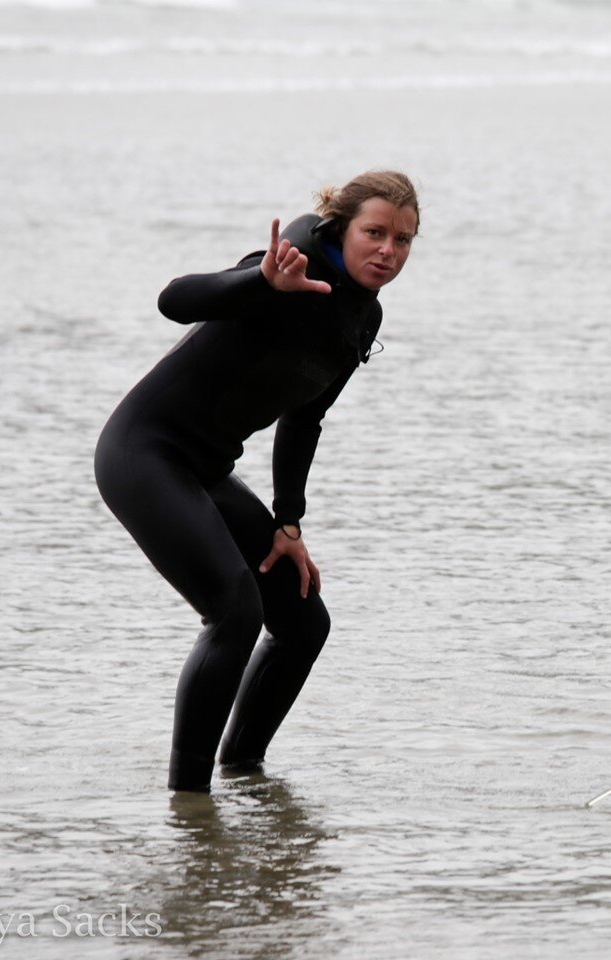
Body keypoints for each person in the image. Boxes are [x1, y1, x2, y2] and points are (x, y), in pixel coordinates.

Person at [94, 170, 419, 792]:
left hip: (206, 469)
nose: (388, 251)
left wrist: (288, 522)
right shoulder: (284, 265)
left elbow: (305, 417)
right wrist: (260, 281)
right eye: (374, 233)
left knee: (303, 622)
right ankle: (189, 803)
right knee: (234, 611)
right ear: (339, 228)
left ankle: (245, 772)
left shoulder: (361, 316)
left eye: (403, 240)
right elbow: (174, 300)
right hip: (145, 451)